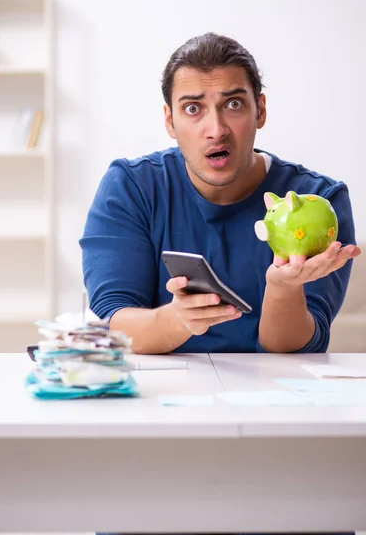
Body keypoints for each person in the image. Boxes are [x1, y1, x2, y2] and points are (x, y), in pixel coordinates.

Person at [80, 32, 360, 358]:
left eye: (233, 104)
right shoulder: (132, 188)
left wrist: (284, 288)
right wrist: (176, 320)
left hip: (274, 398)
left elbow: (294, 348)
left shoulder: (319, 199)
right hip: (158, 399)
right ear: (170, 121)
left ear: (260, 111)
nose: (216, 129)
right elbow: (112, 323)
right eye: (193, 108)